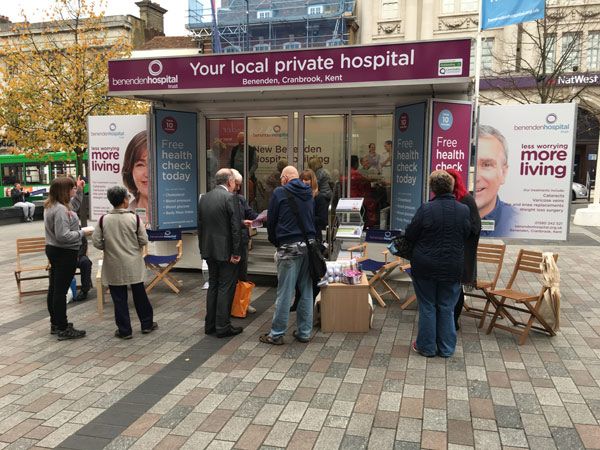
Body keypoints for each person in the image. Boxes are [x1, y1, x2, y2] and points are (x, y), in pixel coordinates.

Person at [405, 170, 471, 358]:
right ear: (451, 187)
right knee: (446, 307)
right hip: (452, 266)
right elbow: (466, 234)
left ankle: (426, 347)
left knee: (427, 305)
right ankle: (446, 348)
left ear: (433, 189)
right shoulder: (463, 210)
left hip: (425, 265)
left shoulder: (426, 209)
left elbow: (410, 234)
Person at [92, 186, 157, 339]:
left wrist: (107, 247)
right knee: (140, 294)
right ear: (124, 201)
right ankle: (146, 324)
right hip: (133, 262)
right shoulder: (134, 218)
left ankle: (124, 330)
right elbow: (144, 240)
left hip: (113, 263)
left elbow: (96, 241)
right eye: (127, 198)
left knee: (119, 298)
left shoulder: (103, 220)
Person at [261, 166, 315, 345]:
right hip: (308, 247)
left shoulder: (279, 192)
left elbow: (272, 220)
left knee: (285, 292)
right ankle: (304, 332)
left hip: (288, 248)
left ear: (284, 178)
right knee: (306, 290)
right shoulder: (308, 191)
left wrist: (275, 241)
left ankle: (276, 334)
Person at [198, 168, 243, 338]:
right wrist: (236, 252)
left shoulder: (204, 198)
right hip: (226, 251)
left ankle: (210, 325)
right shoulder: (230, 198)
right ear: (230, 181)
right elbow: (235, 228)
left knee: (213, 285)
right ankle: (223, 326)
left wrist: (202, 249)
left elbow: (200, 226)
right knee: (225, 287)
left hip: (209, 249)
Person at [44, 176, 91, 340]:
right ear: (64, 191)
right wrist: (83, 232)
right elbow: (63, 235)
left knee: (54, 288)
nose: (74, 190)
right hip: (64, 252)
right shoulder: (60, 210)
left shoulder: (55, 205)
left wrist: (79, 190)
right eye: (72, 188)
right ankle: (63, 327)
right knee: (60, 291)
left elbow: (75, 207)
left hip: (54, 250)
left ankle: (56, 323)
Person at [446, 169, 481, 331]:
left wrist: (460, 232)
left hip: (463, 249)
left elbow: (475, 227)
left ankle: (454, 320)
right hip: (448, 249)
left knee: (457, 285)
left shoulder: (466, 199)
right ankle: (447, 317)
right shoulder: (445, 198)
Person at [290, 169, 328, 311]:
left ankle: (310, 302)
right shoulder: (298, 197)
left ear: (313, 181)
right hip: (299, 238)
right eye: (303, 179)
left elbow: (323, 220)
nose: (305, 182)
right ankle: (297, 301)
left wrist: (306, 217)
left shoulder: (319, 198)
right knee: (299, 272)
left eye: (308, 179)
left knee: (312, 271)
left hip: (314, 239)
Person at [476, 125, 517, 236]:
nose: (475, 177)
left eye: (486, 164)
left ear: (503, 173)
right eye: (469, 164)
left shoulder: (518, 222)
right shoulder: (445, 218)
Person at [231, 168, 259, 314]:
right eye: (237, 184)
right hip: (230, 244)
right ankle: (231, 304)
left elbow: (250, 213)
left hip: (242, 242)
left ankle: (243, 303)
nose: (239, 187)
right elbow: (229, 222)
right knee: (230, 276)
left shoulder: (240, 199)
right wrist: (243, 222)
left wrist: (261, 217)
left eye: (240, 184)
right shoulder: (225, 199)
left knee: (243, 275)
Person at [122, 131, 150, 221]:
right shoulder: (123, 220)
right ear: (130, 171)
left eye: (155, 164)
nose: (148, 174)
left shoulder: (184, 216)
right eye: (140, 165)